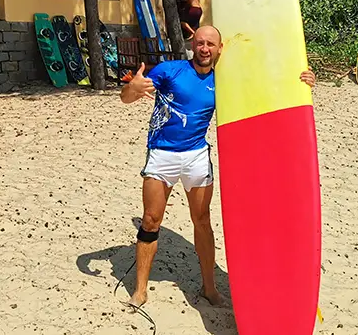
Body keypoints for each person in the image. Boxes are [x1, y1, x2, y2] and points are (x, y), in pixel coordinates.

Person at [120, 25, 316, 308]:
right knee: (151, 220)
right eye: (199, 43)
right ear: (192, 44)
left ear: (219, 48)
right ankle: (140, 290)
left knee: (202, 221)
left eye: (210, 44)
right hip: (162, 155)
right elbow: (127, 96)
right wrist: (131, 89)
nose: (204, 49)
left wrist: (303, 81)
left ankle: (209, 289)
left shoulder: (224, 80)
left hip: (197, 157)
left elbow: (267, 89)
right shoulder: (170, 71)